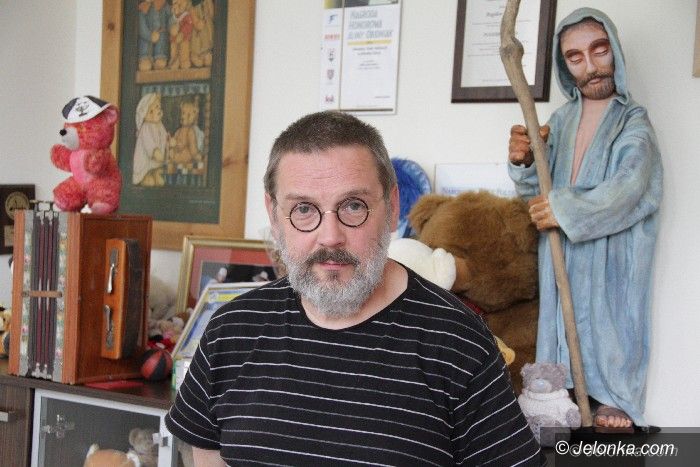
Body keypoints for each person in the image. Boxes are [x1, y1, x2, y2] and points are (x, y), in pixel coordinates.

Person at [166, 110, 543, 465]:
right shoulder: (230, 331)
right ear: (274, 215)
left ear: (392, 207)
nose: (330, 236)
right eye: (303, 209)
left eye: (353, 206)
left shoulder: (459, 343)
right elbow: (207, 455)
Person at [508, 8, 663, 431]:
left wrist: (566, 209)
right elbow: (537, 193)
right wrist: (524, 161)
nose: (591, 67)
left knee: (611, 324)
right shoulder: (560, 121)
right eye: (575, 57)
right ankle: (558, 396)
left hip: (610, 256)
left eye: (599, 50)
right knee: (558, 323)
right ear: (564, 66)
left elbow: (632, 187)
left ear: (615, 51)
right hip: (559, 253)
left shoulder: (632, 121)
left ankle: (613, 399)